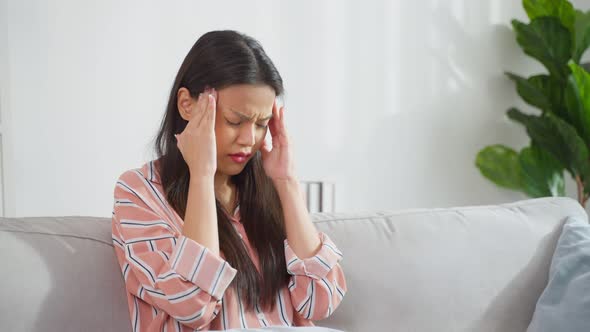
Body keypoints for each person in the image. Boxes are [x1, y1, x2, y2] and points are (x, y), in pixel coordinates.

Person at [111, 30, 347, 331]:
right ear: (187, 105)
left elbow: (319, 301)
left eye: (261, 124)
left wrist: (287, 182)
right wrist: (201, 175)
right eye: (235, 121)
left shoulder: (270, 188)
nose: (249, 140)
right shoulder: (139, 192)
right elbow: (193, 303)